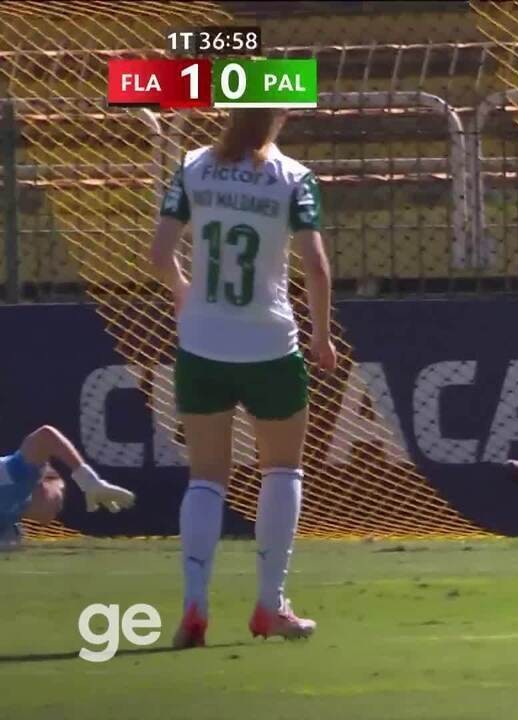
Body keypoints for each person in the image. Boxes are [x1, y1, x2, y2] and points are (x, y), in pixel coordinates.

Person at [150, 108, 337, 649]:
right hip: (269, 343)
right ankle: (269, 604)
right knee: (282, 470)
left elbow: (159, 255)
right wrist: (322, 337)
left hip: (203, 342)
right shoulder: (293, 178)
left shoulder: (192, 167)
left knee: (206, 477)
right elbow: (317, 267)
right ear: (278, 116)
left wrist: (184, 293)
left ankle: (194, 603)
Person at [0, 425, 135, 544]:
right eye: (60, 493)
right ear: (42, 483)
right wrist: (89, 481)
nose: (59, 507)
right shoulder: (17, 477)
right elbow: (45, 435)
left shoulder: (13, 516)